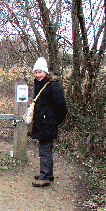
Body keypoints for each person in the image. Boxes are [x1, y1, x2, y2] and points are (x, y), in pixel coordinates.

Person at [31, 57, 67, 187]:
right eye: (36, 72)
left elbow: (62, 107)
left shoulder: (53, 85)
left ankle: (44, 177)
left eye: (40, 72)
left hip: (48, 123)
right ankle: (48, 173)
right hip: (42, 122)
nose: (38, 75)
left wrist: (57, 121)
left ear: (46, 72)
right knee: (46, 148)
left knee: (45, 150)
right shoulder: (39, 83)